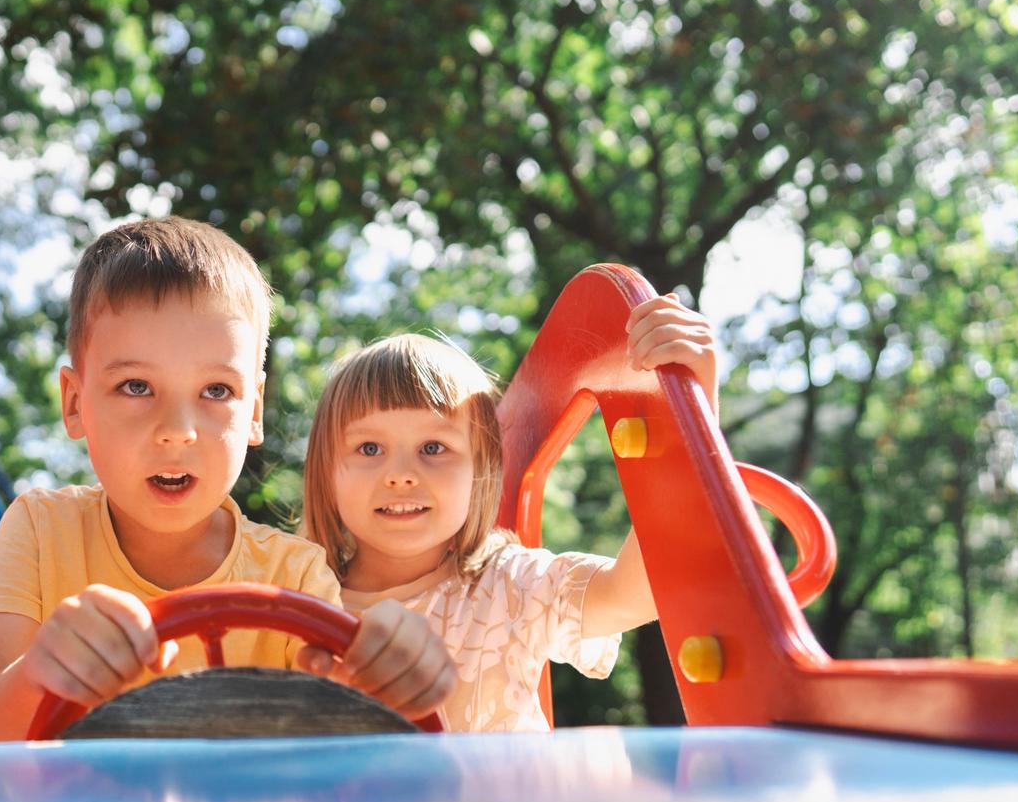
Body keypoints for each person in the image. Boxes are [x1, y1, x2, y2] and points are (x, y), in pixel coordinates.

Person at [0, 217, 456, 741]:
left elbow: (341, 756)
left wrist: (388, 678)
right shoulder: (40, 530)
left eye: (216, 391)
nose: (177, 431)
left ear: (254, 411)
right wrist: (39, 671)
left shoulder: (297, 575)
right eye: (136, 386)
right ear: (75, 403)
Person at [298, 296, 720, 733]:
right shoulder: (298, 601)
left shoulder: (509, 586)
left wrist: (693, 415)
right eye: (370, 448)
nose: (401, 475)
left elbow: (630, 595)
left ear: (480, 471)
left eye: (433, 448)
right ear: (326, 471)